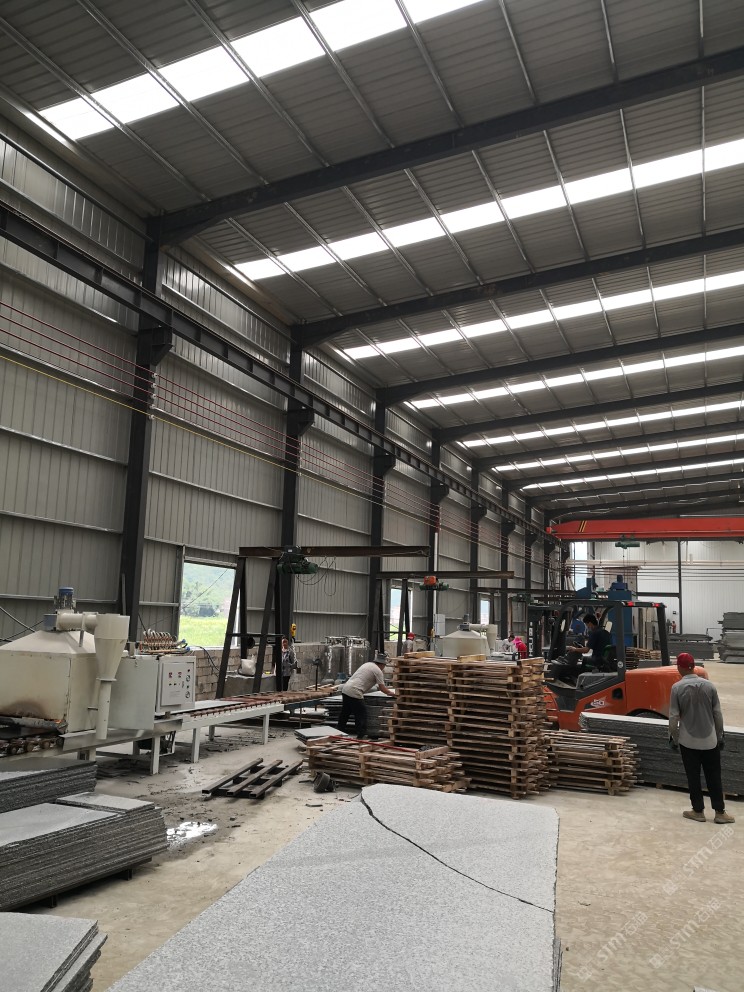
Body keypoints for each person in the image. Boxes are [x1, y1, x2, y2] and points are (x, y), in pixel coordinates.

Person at [669, 652, 734, 824]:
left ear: (680, 667)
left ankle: (698, 811)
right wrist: (720, 736)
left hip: (688, 742)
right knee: (714, 776)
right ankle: (720, 813)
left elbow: (674, 716)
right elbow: (717, 713)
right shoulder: (710, 686)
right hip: (710, 741)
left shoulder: (676, 688)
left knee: (693, 777)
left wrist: (673, 737)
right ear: (693, 666)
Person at [337, 653, 396, 738]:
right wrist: (394, 694)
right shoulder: (378, 671)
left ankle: (338, 732)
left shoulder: (367, 664)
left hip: (346, 689)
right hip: (355, 692)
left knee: (345, 713)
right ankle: (361, 736)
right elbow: (382, 688)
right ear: (382, 664)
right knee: (361, 714)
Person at [550, 613, 612, 682]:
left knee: (583, 660)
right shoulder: (605, 632)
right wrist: (579, 648)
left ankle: (580, 680)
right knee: (582, 660)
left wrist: (575, 649)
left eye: (586, 624)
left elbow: (586, 650)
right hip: (603, 658)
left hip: (598, 659)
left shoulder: (595, 633)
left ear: (590, 623)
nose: (587, 626)